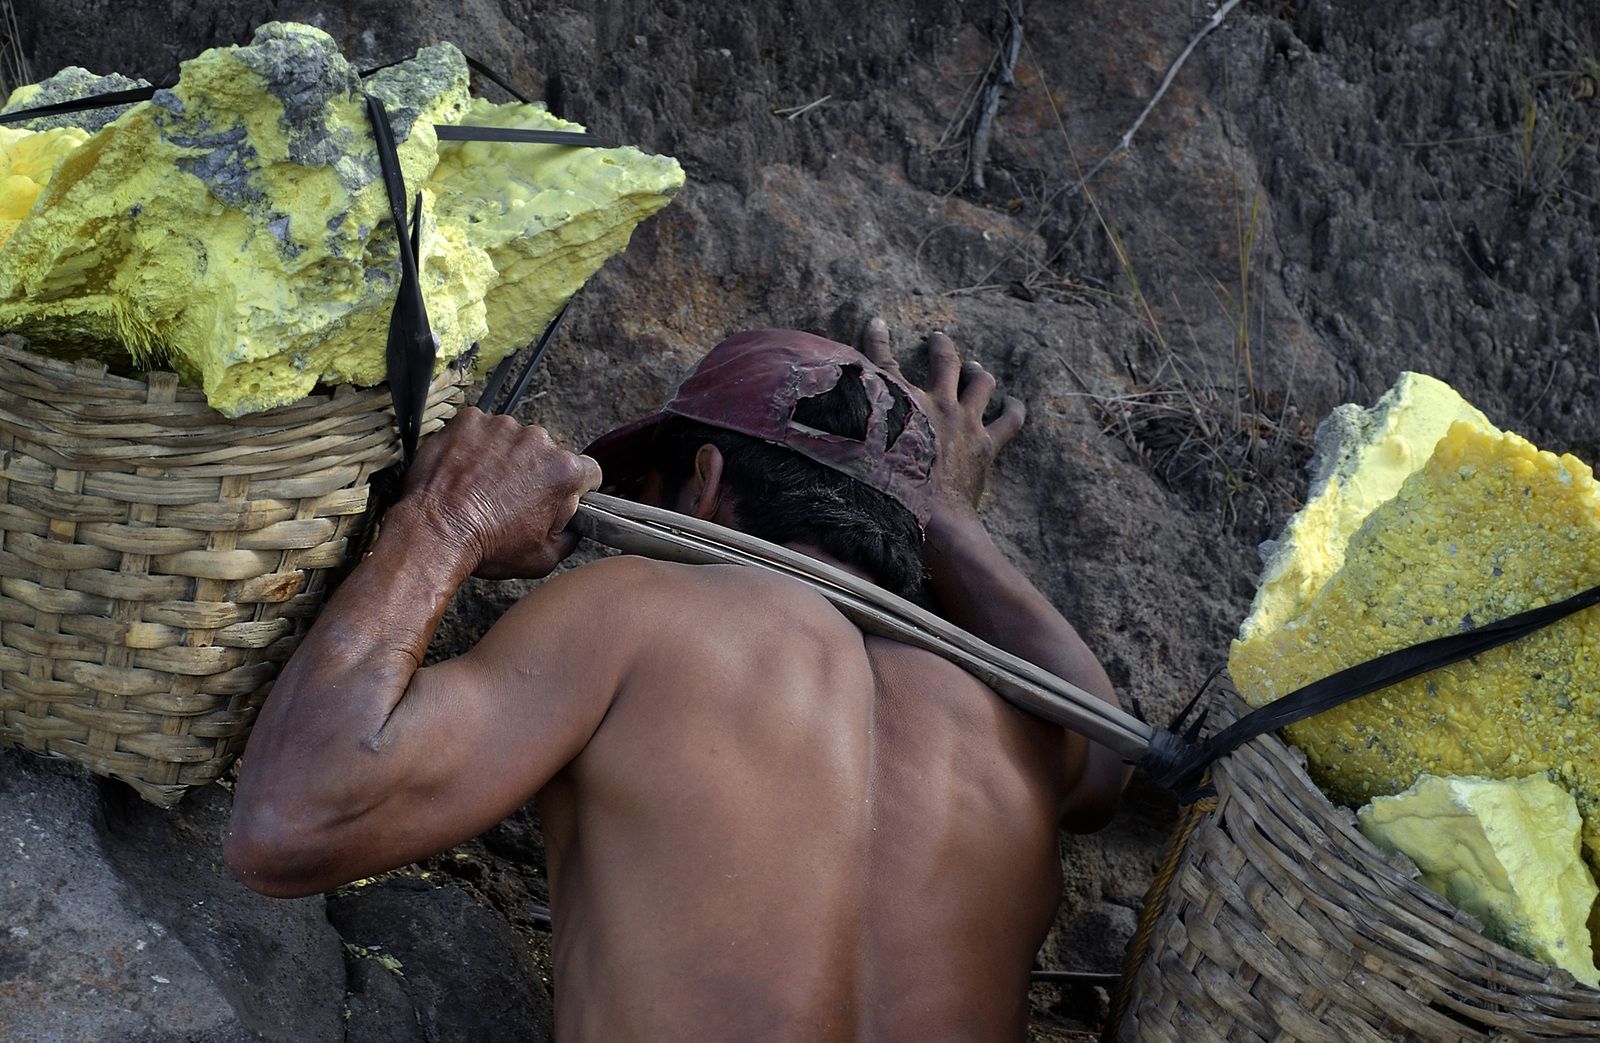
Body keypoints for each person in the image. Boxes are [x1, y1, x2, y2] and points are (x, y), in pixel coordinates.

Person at [225, 319, 1129, 1041]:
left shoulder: (637, 612)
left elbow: (291, 822)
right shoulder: (1025, 735)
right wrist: (952, 513)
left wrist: (448, 519)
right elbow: (1106, 762)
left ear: (700, 481)